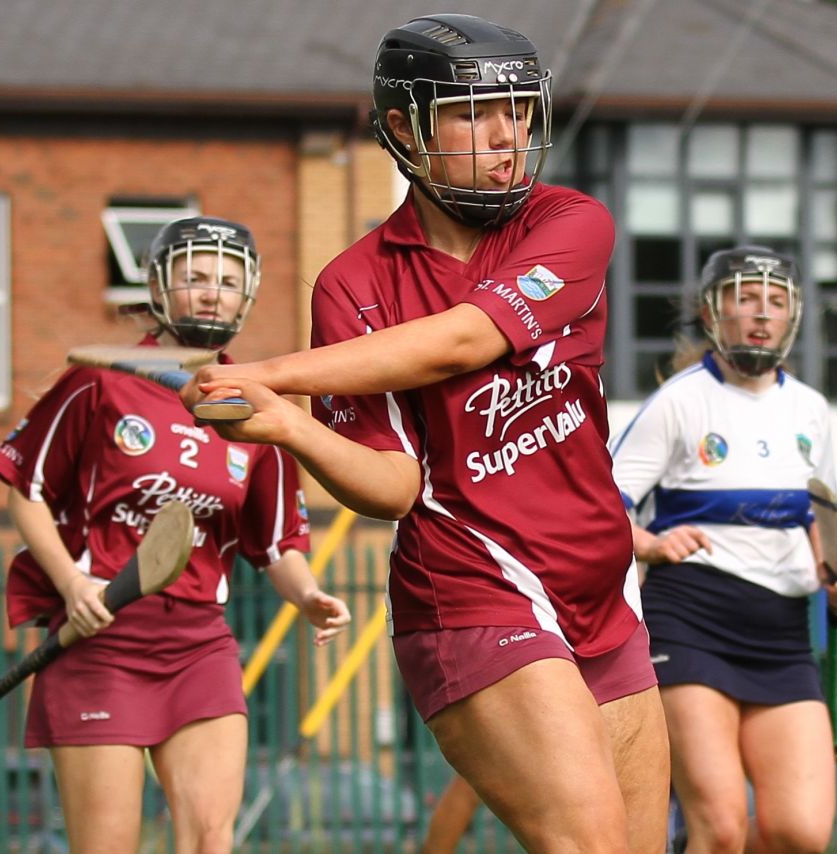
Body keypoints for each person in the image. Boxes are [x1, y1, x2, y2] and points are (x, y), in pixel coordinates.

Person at [179, 13, 671, 852]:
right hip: (474, 592)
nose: (506, 135)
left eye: (516, 110)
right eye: (475, 113)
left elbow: (465, 338)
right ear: (405, 129)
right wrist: (287, 429)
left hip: (602, 590)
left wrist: (271, 374)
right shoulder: (353, 284)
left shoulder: (570, 223)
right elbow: (394, 486)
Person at [0, 216, 351, 854]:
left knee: (212, 842)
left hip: (199, 647)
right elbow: (27, 491)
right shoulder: (101, 383)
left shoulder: (254, 409)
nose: (212, 292)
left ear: (250, 295)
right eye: (195, 277)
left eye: (228, 281)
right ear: (160, 286)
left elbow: (275, 544)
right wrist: (70, 583)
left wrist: (307, 594)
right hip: (101, 643)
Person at [608, 245, 837, 854]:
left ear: (793, 316)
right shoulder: (680, 401)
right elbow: (600, 504)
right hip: (690, 620)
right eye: (744, 298)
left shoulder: (811, 410)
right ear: (712, 312)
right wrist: (651, 543)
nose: (760, 315)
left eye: (775, 302)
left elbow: (819, 515)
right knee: (718, 829)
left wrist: (834, 570)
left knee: (798, 833)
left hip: (782, 635)